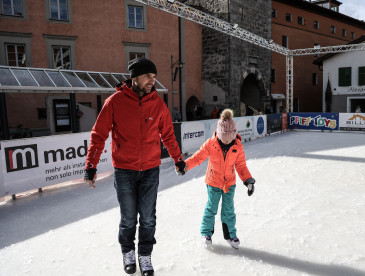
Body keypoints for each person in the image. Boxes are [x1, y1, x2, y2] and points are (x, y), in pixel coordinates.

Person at [84, 58, 186, 276]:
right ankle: (128, 252)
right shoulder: (115, 102)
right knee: (128, 218)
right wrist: (91, 166)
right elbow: (98, 135)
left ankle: (145, 255)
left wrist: (178, 159)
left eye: (154, 77)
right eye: (148, 76)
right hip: (124, 171)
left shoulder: (157, 104)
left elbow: (168, 134)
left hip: (150, 169)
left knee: (148, 218)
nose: (152, 81)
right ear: (135, 77)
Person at [178, 109, 255, 250]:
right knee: (211, 208)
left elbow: (241, 166)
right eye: (223, 136)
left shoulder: (237, 146)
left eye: (228, 137)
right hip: (213, 182)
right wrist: (185, 166)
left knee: (229, 210)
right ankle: (206, 233)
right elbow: (198, 157)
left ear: (233, 134)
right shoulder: (211, 144)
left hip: (229, 183)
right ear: (218, 133)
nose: (226, 139)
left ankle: (230, 235)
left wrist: (248, 180)